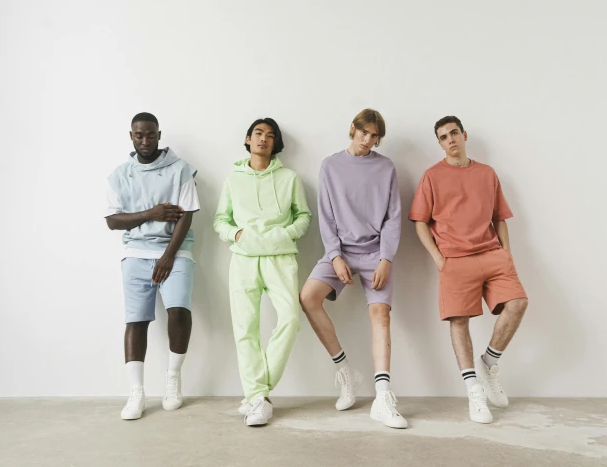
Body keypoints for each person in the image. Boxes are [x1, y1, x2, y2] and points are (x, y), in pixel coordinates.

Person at [410, 116, 529, 424]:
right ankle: (474, 390)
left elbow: (499, 216)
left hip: (492, 253)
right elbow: (420, 221)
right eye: (443, 137)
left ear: (464, 135)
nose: (450, 139)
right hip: (454, 259)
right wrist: (438, 258)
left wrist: (506, 253)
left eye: (453, 133)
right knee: (458, 321)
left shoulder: (487, 173)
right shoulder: (432, 176)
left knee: (518, 303)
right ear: (439, 143)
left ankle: (490, 362)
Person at [299, 109, 407, 429]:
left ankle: (383, 396)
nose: (370, 141)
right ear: (353, 129)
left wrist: (386, 257)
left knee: (380, 315)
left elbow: (393, 216)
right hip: (341, 252)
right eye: (365, 134)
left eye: (376, 137)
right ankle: (346, 373)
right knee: (308, 297)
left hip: (376, 252)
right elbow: (327, 216)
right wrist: (334, 256)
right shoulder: (330, 166)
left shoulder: (385, 167)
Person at [214, 118, 312, 426]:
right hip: (243, 258)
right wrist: (237, 235)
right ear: (247, 139)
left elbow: (304, 217)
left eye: (270, 136)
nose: (263, 139)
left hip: (280, 257)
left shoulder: (291, 178)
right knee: (245, 328)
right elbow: (220, 221)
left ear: (275, 143)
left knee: (291, 319)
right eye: (258, 133)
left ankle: (257, 393)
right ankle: (259, 398)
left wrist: (285, 235)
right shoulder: (232, 180)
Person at [105, 112, 200, 420]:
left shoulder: (181, 169)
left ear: (159, 134)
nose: (144, 141)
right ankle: (136, 392)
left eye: (150, 135)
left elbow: (187, 215)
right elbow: (112, 221)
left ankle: (173, 379)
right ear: (130, 136)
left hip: (175, 251)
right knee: (136, 320)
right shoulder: (120, 175)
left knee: (179, 311)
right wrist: (152, 213)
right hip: (135, 253)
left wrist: (168, 256)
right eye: (138, 136)